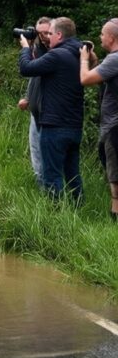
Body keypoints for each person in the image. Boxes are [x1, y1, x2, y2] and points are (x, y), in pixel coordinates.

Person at [19, 17, 85, 201]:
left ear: (59, 34)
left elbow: (26, 68)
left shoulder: (57, 56)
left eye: (50, 33)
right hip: (74, 125)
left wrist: (25, 47)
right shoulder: (79, 54)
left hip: (55, 125)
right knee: (72, 173)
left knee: (52, 174)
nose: (48, 37)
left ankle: (54, 212)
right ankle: (77, 207)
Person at [79, 18, 118, 220]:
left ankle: (115, 217)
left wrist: (83, 59)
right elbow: (99, 74)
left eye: (102, 34)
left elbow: (86, 79)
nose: (100, 37)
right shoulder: (112, 59)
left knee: (115, 176)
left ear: (111, 37)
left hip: (115, 127)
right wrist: (93, 59)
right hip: (111, 126)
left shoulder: (115, 59)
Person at [17, 17, 53, 184]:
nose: (43, 37)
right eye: (39, 33)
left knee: (47, 153)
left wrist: (26, 48)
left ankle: (49, 190)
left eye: (46, 33)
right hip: (35, 110)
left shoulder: (55, 52)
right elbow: (34, 76)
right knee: (36, 151)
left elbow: (27, 68)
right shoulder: (38, 48)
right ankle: (41, 187)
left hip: (49, 112)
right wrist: (28, 97)